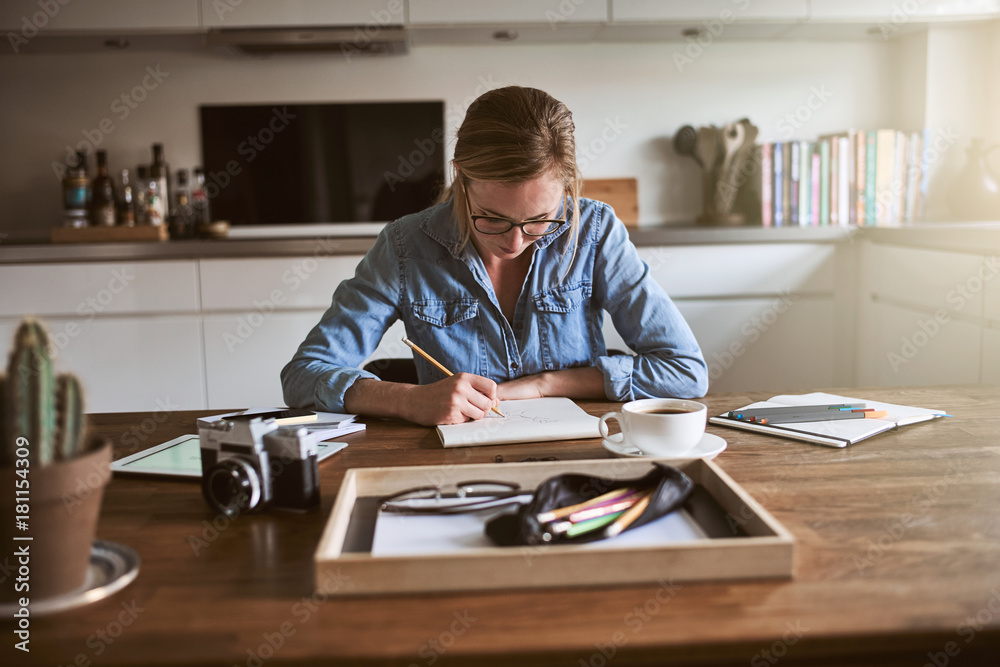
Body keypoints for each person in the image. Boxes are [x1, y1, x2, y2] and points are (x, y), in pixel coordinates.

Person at [281, 86, 708, 426]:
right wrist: (409, 400)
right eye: (493, 218)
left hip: (579, 459)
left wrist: (544, 385)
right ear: (461, 177)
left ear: (568, 186)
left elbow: (685, 372)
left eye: (540, 220)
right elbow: (304, 375)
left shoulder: (594, 231)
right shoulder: (404, 246)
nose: (516, 242)